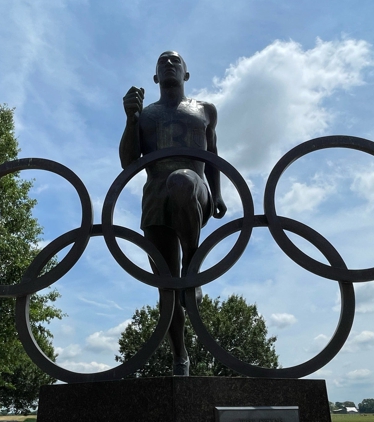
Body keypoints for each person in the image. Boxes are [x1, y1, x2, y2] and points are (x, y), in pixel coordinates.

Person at [119, 51, 227, 375]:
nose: (169, 64)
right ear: (154, 78)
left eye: (175, 61)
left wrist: (218, 193)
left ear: (186, 73)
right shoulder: (147, 115)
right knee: (166, 286)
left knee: (180, 179)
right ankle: (180, 355)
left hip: (193, 190)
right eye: (162, 62)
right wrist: (131, 119)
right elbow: (128, 162)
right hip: (155, 199)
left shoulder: (205, 110)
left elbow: (213, 155)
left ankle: (193, 265)